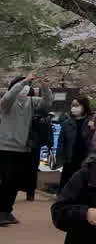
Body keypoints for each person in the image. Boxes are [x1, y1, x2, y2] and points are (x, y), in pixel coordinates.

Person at [0, 74, 51, 225]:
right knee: (6, 180)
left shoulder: (31, 102)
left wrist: (45, 87)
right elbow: (9, 96)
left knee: (15, 181)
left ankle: (6, 211)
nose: (25, 88)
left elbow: (46, 105)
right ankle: (1, 211)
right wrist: (24, 81)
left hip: (23, 148)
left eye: (27, 85)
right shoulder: (6, 103)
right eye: (22, 85)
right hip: (5, 147)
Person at [57, 97, 96, 192]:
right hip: (70, 159)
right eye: (72, 105)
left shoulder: (93, 121)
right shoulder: (67, 123)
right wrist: (59, 159)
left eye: (77, 105)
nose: (74, 108)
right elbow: (61, 142)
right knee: (68, 185)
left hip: (87, 159)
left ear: (84, 106)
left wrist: (94, 128)